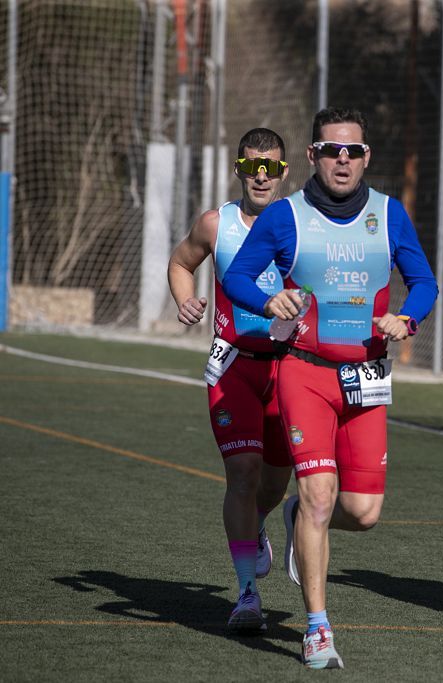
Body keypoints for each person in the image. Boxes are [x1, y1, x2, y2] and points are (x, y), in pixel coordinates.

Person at [222, 107, 437, 669]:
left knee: (363, 512)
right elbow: (237, 276)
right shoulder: (285, 217)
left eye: (354, 151)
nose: (343, 159)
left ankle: (294, 518)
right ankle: (318, 628)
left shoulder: (390, 215)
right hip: (304, 370)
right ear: (314, 156)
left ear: (368, 157)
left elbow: (424, 282)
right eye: (332, 150)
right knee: (321, 495)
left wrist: (408, 320)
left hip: (365, 376)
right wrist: (268, 300)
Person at [167, 128, 294, 634]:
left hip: (290, 369)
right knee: (242, 473)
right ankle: (246, 593)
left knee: (275, 481)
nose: (260, 177)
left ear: (285, 172)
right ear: (238, 169)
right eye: (251, 168)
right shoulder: (216, 224)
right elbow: (181, 263)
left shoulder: (307, 223)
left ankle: (265, 520)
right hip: (234, 367)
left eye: (271, 168)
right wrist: (185, 299)